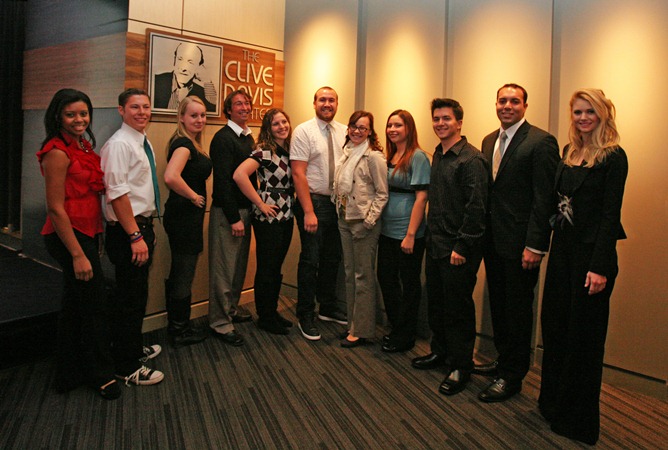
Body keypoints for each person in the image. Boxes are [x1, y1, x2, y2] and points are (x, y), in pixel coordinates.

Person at [539, 89, 628, 445]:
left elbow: (610, 216)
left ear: (604, 114)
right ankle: (553, 405)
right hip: (562, 253)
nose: (582, 118)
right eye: (577, 112)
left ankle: (577, 421)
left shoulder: (614, 157)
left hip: (592, 260)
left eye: (590, 111)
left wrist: (600, 266)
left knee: (583, 340)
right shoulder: (569, 152)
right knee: (556, 330)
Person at [477, 83, 559, 402]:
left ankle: (513, 376)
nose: (507, 106)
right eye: (502, 101)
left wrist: (536, 245)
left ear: (526, 105)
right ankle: (503, 360)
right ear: (495, 104)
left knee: (518, 310)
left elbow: (545, 198)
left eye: (514, 101)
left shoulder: (541, 142)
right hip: (492, 241)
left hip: (522, 245)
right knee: (499, 305)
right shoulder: (488, 140)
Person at [37, 88, 119, 399]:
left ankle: (68, 373)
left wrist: (93, 240)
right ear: (58, 116)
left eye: (83, 113)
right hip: (66, 236)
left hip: (85, 234)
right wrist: (77, 254)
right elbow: (56, 208)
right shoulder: (57, 152)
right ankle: (101, 375)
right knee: (94, 307)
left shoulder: (82, 146)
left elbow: (89, 200)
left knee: (74, 305)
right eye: (71, 114)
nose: (79, 119)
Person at [410, 99, 489, 397]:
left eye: (446, 119)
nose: (440, 123)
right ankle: (440, 352)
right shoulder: (439, 156)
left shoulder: (471, 160)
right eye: (436, 119)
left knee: (458, 310)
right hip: (436, 243)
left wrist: (463, 246)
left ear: (459, 122)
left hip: (459, 249)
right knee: (438, 304)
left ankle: (461, 366)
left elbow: (476, 209)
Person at [101, 88, 164, 386]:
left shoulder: (140, 140)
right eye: (135, 107)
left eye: (146, 107)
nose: (142, 112)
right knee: (129, 299)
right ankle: (126, 367)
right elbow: (117, 195)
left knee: (137, 296)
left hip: (140, 228)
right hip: (129, 231)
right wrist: (136, 235)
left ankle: (131, 348)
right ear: (120, 110)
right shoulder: (119, 145)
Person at [290, 86, 348, 341]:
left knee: (332, 259)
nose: (327, 104)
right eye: (322, 99)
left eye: (332, 100)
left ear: (337, 104)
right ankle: (305, 313)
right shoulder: (304, 131)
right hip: (313, 202)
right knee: (310, 260)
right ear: (314, 103)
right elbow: (298, 173)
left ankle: (327, 306)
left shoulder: (344, 130)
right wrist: (308, 211)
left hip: (338, 204)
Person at [233, 108, 295, 335]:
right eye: (276, 124)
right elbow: (240, 175)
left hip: (287, 213)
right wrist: (260, 203)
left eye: (284, 122)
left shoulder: (289, 149)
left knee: (276, 266)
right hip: (268, 215)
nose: (282, 127)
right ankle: (265, 316)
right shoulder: (265, 151)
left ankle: (272, 310)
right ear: (268, 129)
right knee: (267, 266)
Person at [332, 111, 388, 348]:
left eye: (362, 128)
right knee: (349, 273)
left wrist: (369, 221)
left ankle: (362, 329)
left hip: (363, 223)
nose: (356, 131)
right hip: (344, 219)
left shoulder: (373, 157)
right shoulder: (346, 154)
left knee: (363, 276)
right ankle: (352, 324)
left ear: (369, 132)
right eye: (353, 126)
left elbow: (382, 193)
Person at [377, 109, 430, 353]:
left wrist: (410, 234)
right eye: (389, 125)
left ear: (409, 128)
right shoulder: (390, 154)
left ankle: (406, 334)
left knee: (408, 284)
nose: (392, 129)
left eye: (398, 125)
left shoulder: (417, 156)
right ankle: (397, 326)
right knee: (386, 279)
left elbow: (421, 198)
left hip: (409, 232)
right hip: (387, 230)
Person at [162, 96, 212, 347]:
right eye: (194, 115)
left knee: (181, 271)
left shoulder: (190, 143)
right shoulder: (184, 144)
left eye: (203, 115)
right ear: (181, 117)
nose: (200, 120)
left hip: (183, 217)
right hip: (183, 217)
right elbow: (170, 177)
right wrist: (194, 197)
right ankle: (179, 330)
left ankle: (178, 324)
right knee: (184, 272)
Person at [208, 89, 255, 346]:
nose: (244, 107)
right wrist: (233, 217)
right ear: (228, 110)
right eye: (238, 104)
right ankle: (219, 322)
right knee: (223, 270)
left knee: (237, 268)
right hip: (229, 214)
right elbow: (223, 183)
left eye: (247, 103)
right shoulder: (223, 138)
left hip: (245, 211)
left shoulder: (248, 138)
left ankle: (231, 310)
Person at [153, 42, 217, 112]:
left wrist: (207, 80)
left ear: (199, 67)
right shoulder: (157, 82)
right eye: (180, 59)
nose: (184, 68)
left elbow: (213, 108)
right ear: (174, 60)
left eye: (190, 62)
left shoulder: (201, 93)